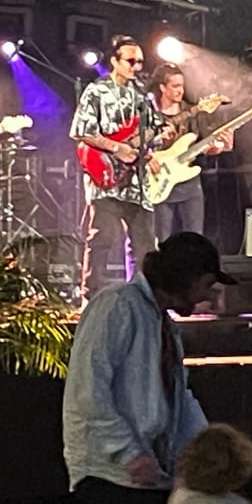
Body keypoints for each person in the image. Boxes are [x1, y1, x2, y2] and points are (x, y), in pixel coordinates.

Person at [62, 231, 235, 504]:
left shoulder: (161, 323)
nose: (209, 297)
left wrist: (208, 448)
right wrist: (128, 452)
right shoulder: (116, 307)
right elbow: (89, 391)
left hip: (145, 469)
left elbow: (179, 398)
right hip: (107, 468)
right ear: (184, 278)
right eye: (207, 285)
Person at [70, 34, 166, 303]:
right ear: (114, 61)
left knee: (146, 246)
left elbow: (151, 134)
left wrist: (154, 145)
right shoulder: (96, 92)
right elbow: (81, 132)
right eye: (131, 61)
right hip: (105, 179)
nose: (136, 66)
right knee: (103, 239)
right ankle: (92, 299)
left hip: (137, 183)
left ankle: (143, 299)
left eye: (140, 62)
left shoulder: (142, 97)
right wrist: (117, 148)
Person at [149, 63, 232, 242]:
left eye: (182, 86)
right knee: (159, 239)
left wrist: (221, 146)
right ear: (162, 88)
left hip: (190, 184)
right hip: (159, 182)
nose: (180, 90)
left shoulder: (194, 113)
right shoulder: (150, 115)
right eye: (175, 86)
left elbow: (207, 146)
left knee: (194, 238)